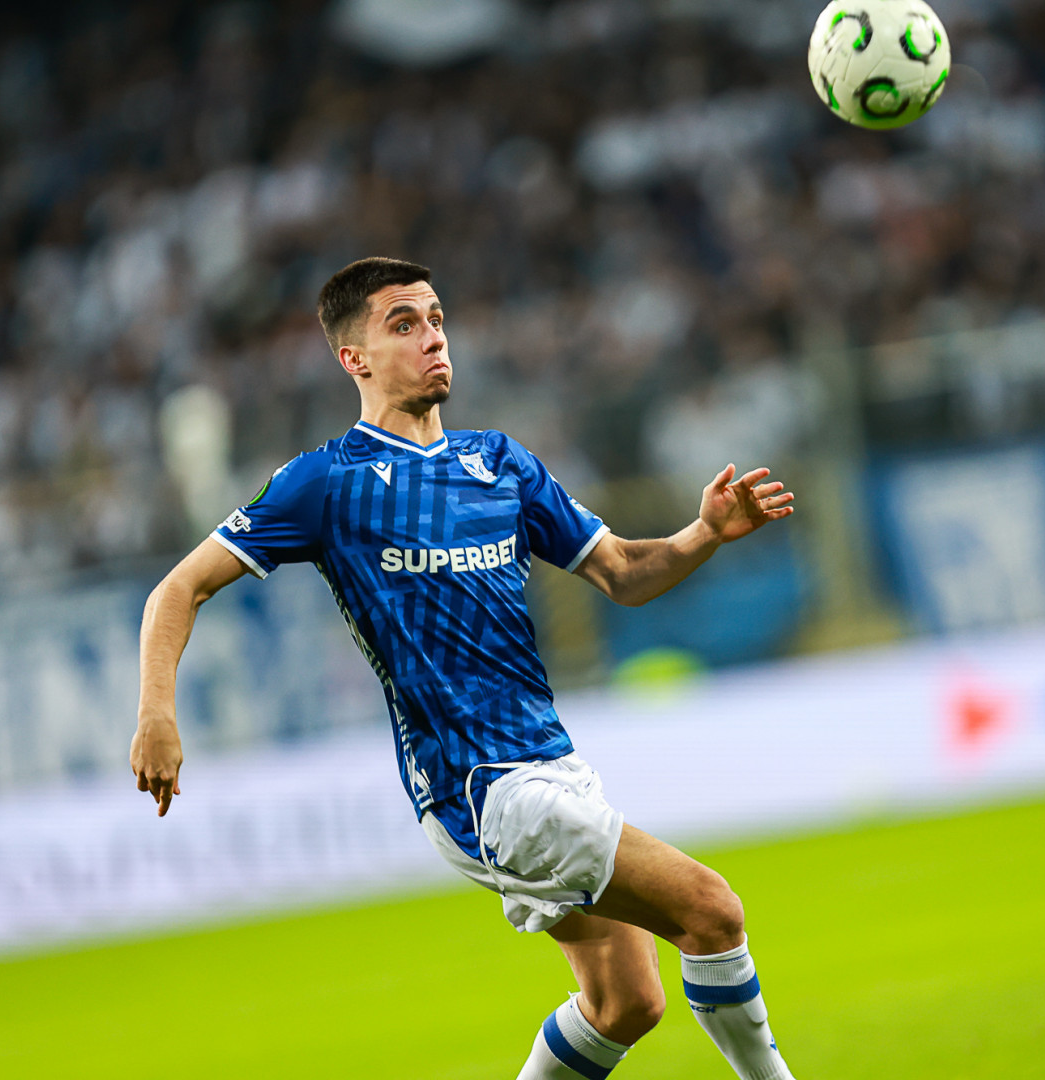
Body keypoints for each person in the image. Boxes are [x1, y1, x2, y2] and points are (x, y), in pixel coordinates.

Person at [130, 257, 799, 1079]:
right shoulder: (326, 483)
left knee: (627, 1002)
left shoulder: (500, 463)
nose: (433, 337)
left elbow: (622, 572)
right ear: (354, 358)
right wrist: (156, 714)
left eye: (437, 319)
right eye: (404, 324)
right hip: (480, 789)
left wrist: (702, 535)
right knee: (712, 910)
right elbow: (179, 587)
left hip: (551, 764)